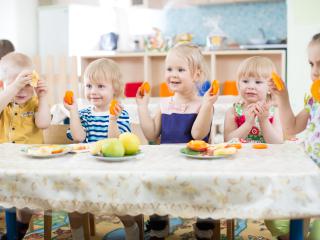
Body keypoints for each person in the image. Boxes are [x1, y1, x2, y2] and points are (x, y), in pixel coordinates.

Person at [136, 43, 218, 239]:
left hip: (196, 165)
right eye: (169, 69)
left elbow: (198, 134)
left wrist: (207, 106)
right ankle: (159, 227)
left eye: (180, 70)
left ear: (196, 75)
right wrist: (141, 107)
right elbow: (151, 134)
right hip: (167, 163)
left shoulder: (202, 104)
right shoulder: (164, 104)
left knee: (203, 193)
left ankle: (204, 227)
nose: (173, 74)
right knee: (158, 191)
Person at [64, 58, 137, 240]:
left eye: (100, 86)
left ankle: (133, 230)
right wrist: (73, 111)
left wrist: (112, 119)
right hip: (87, 170)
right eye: (89, 86)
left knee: (121, 209)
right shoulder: (85, 113)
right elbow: (79, 137)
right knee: (73, 208)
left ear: (116, 90)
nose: (93, 92)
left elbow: (116, 142)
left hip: (112, 172)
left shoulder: (120, 112)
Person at [270, 33, 320, 240]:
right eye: (311, 64)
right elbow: (291, 129)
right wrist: (283, 99)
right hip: (307, 173)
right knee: (276, 217)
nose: (315, 72)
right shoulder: (313, 98)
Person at [0, 52, 51, 239]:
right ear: (3, 85)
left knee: (27, 201)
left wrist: (43, 97)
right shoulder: (4, 101)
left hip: (30, 162)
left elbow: (44, 123)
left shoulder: (35, 102)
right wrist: (13, 88)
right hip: (4, 163)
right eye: (15, 85)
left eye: (27, 84)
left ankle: (21, 226)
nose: (21, 91)